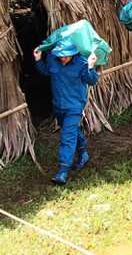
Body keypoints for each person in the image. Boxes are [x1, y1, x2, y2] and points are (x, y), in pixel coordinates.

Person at [34, 40, 99, 185]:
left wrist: (90, 66)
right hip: (59, 104)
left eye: (66, 56)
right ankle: (83, 154)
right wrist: (38, 59)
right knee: (71, 130)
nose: (63, 58)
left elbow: (92, 80)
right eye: (61, 55)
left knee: (67, 135)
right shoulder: (53, 58)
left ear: (73, 53)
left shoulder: (81, 62)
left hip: (75, 105)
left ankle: (63, 171)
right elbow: (46, 71)